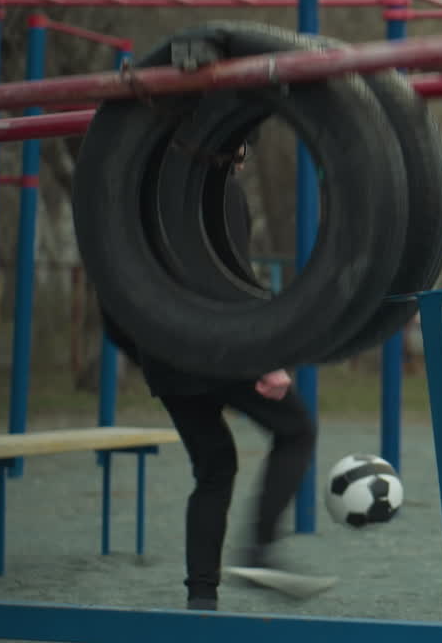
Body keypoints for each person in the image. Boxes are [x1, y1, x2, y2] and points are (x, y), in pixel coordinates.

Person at [101, 136, 331, 611]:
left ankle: (201, 600)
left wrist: (152, 356)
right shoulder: (221, 193)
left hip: (165, 359)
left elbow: (113, 306)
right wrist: (262, 356)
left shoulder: (132, 199)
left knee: (214, 468)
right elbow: (230, 280)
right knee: (296, 430)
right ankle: (262, 549)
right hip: (218, 345)